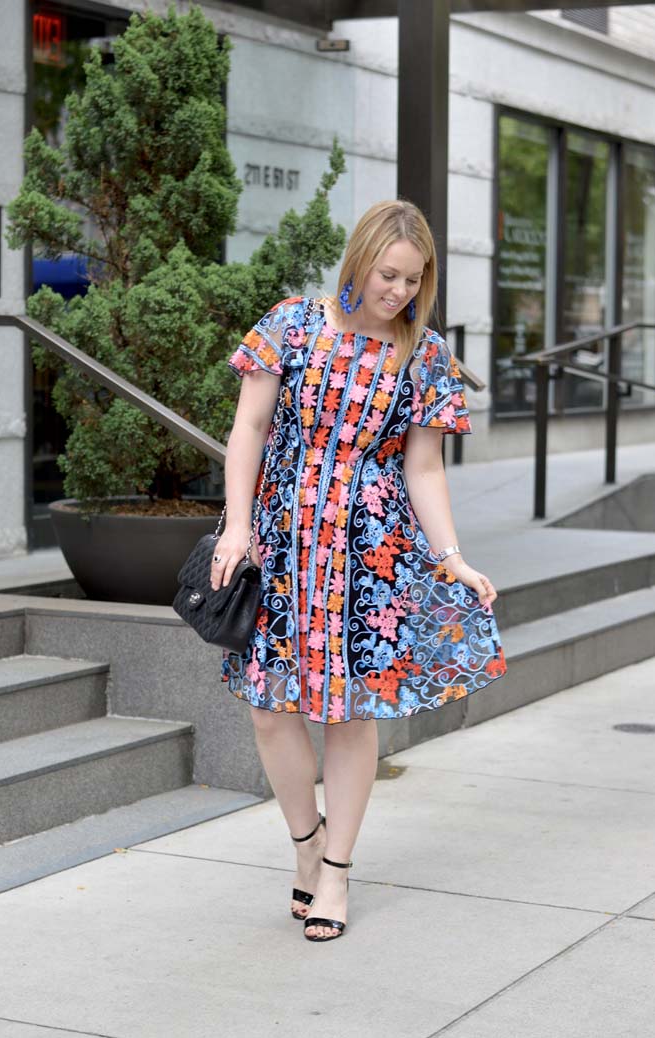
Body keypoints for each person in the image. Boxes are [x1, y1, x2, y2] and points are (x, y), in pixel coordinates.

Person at [211, 199, 507, 942]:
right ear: (359, 260)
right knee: (269, 707)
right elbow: (247, 427)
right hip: (281, 543)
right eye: (389, 274)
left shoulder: (424, 355)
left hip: (368, 553)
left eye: (414, 280)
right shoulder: (291, 326)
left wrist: (453, 559)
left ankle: (336, 874)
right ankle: (306, 847)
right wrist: (239, 527)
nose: (400, 291)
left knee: (349, 714)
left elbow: (426, 469)